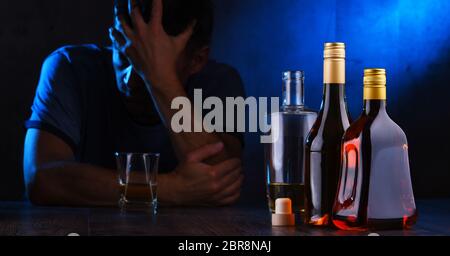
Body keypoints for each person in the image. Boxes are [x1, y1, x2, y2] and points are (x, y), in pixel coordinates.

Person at [23, 0, 245, 207]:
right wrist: (169, 188)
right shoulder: (69, 67)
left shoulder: (220, 82)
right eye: (126, 57)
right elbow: (42, 179)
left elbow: (221, 182)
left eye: (148, 65)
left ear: (197, 61)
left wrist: (159, 80)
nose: (129, 78)